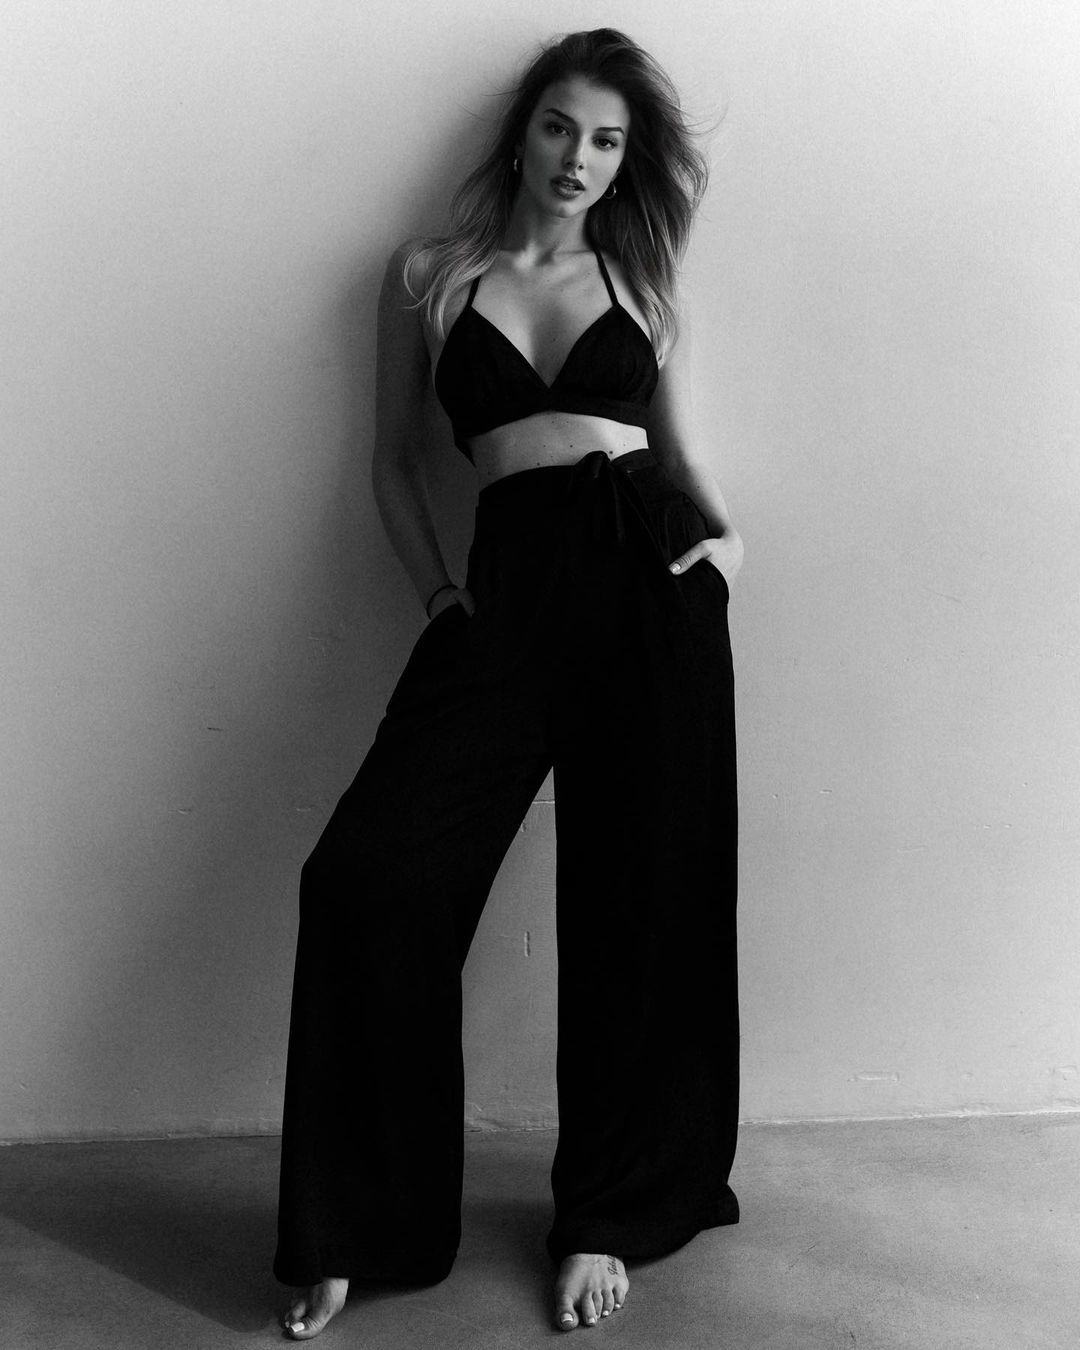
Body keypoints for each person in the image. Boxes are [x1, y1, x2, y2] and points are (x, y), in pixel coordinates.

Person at [273, 26, 744, 1339]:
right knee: (367, 876)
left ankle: (609, 1214)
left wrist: (724, 552)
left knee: (642, 902)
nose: (579, 158)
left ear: (628, 160)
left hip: (650, 585)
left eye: (608, 140)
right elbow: (389, 464)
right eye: (559, 127)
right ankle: (359, 1225)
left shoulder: (646, 284)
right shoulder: (428, 277)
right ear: (521, 129)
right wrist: (441, 599)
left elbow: (683, 460)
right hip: (505, 596)